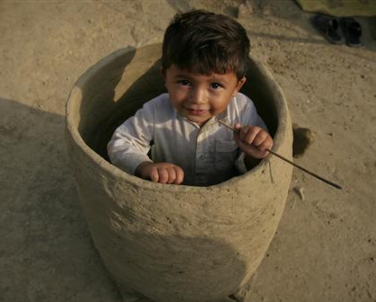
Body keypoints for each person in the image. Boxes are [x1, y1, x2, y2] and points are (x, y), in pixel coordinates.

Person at [108, 10, 273, 186]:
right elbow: (121, 143)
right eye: (185, 82)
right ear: (166, 78)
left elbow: (253, 165)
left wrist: (254, 153)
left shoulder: (242, 110)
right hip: (166, 196)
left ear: (236, 87)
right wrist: (146, 166)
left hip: (226, 199)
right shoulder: (156, 111)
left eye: (215, 85)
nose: (198, 99)